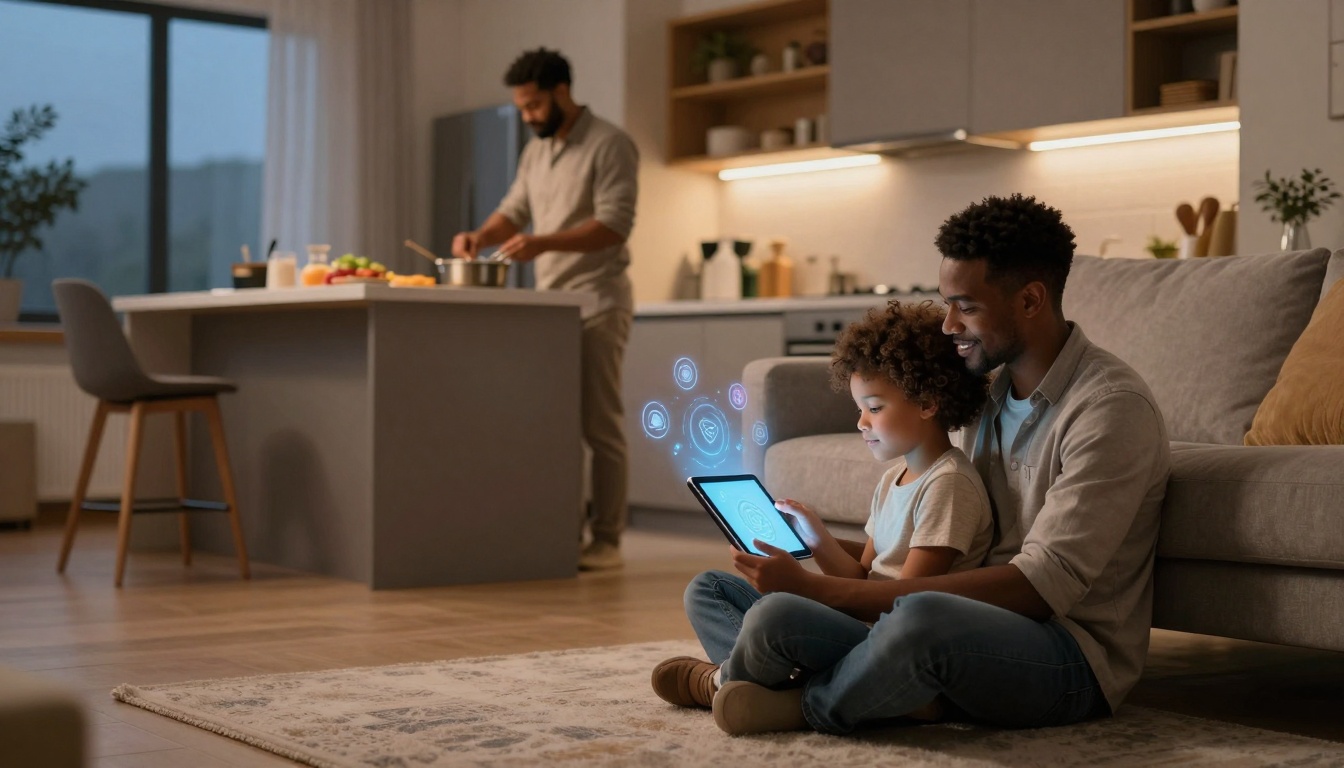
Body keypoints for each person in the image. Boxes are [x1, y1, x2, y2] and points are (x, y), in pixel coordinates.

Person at [651, 194, 1171, 737]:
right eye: (946, 303)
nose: (948, 325)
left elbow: (1040, 588)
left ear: (1031, 300)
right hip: (954, 622)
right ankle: (872, 690)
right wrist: (812, 553)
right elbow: (912, 556)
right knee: (721, 590)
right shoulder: (986, 392)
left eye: (965, 306)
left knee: (917, 617)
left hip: (1065, 655)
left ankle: (800, 700)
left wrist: (819, 591)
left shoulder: (1110, 409)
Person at [651, 300, 994, 722]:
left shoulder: (949, 485)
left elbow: (906, 605)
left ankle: (722, 682)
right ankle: (773, 682)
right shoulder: (895, 478)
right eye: (859, 409)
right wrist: (817, 539)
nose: (861, 423)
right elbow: (863, 576)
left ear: (927, 403)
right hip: (860, 629)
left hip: (886, 644)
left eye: (874, 407)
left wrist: (803, 591)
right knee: (708, 588)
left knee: (776, 615)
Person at [452, 48, 639, 571]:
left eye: (534, 105)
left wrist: (542, 243)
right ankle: (562, 530)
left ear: (561, 91)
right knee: (555, 425)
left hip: (599, 299)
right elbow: (513, 210)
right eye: (522, 107)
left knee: (600, 427)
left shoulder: (610, 144)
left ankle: (607, 540)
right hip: (551, 308)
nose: (528, 115)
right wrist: (479, 236)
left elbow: (614, 224)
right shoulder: (536, 152)